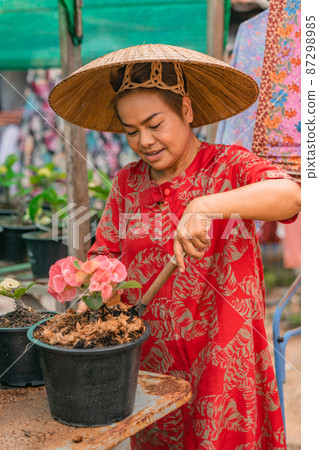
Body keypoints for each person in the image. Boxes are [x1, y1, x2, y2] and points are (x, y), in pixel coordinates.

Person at [49, 45, 301, 449]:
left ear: (185, 110)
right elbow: (105, 253)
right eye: (131, 131)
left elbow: (290, 195)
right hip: (152, 367)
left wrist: (207, 205)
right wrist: (91, 291)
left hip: (222, 362)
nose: (144, 141)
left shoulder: (229, 166)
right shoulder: (128, 183)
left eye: (154, 124)